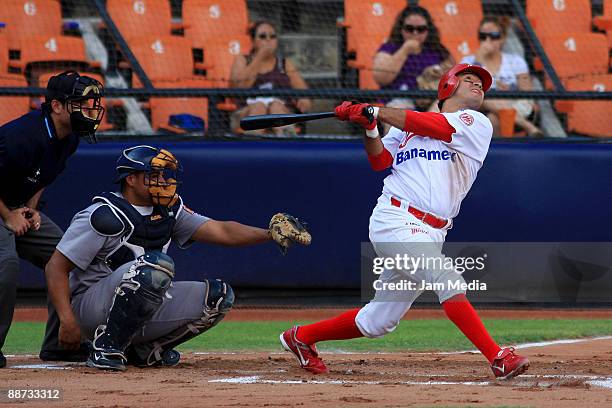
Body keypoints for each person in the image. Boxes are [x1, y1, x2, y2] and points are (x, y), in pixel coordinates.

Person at [280, 64, 530, 380]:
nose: (478, 86)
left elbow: (434, 125)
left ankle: (301, 337)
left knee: (378, 321)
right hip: (395, 219)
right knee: (446, 279)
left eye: (482, 84)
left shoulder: (477, 123)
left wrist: (376, 111)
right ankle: (498, 358)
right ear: (448, 86)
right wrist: (369, 126)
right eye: (469, 80)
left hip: (432, 230)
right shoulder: (404, 127)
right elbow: (379, 161)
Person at [44, 145, 311, 371]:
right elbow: (56, 267)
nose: (162, 180)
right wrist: (67, 321)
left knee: (217, 297)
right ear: (131, 179)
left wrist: (268, 233)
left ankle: (145, 350)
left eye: (163, 174)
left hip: (140, 296)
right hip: (90, 308)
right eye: (153, 174)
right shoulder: (102, 214)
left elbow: (221, 230)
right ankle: (105, 347)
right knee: (156, 266)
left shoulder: (170, 209)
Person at [0, 70, 105, 368]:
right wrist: (8, 215)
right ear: (57, 106)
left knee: (67, 255)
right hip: (3, 208)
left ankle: (61, 343)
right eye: (82, 103)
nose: (90, 110)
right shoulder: (22, 135)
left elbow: (42, 175)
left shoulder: (69, 138)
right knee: (5, 263)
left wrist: (31, 208)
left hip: (16, 206)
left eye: (93, 103)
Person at [461, 17, 543, 137]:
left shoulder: (515, 61)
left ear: (503, 38)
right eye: (483, 36)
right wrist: (478, 61)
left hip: (513, 105)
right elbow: (466, 89)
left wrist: (510, 90)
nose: (487, 40)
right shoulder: (469, 61)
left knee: (493, 119)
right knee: (482, 95)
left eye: (493, 36)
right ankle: (528, 127)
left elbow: (527, 92)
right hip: (479, 108)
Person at [229, 20, 312, 136]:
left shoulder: (284, 63)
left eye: (272, 36)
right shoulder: (243, 60)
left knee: (276, 106)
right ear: (253, 41)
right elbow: (239, 89)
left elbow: (303, 91)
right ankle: (253, 146)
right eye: (262, 36)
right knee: (259, 107)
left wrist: (304, 99)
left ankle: (287, 143)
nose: (268, 40)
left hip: (280, 110)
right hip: (246, 112)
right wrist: (259, 57)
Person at [372, 5, 454, 113]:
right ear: (401, 29)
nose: (415, 33)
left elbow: (454, 77)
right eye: (409, 29)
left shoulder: (439, 50)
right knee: (399, 109)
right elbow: (381, 78)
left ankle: (427, 127)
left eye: (421, 29)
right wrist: (405, 50)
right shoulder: (389, 48)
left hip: (431, 101)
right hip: (399, 101)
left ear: (428, 30)